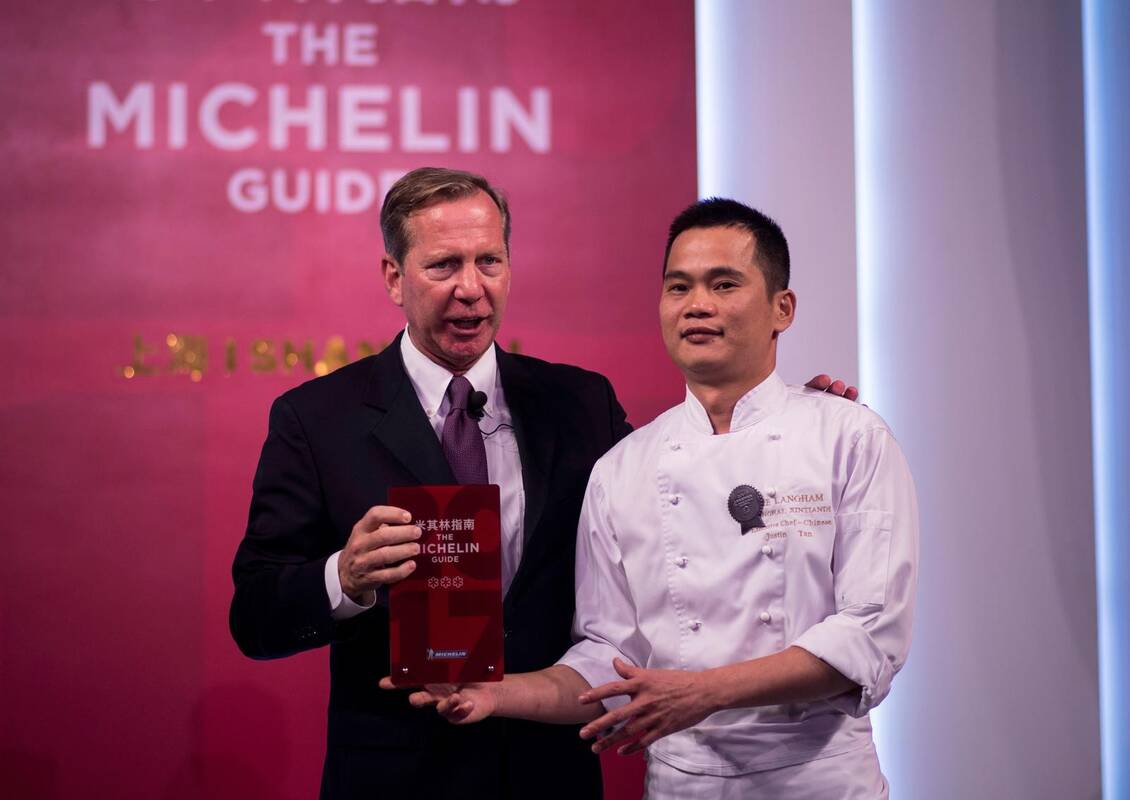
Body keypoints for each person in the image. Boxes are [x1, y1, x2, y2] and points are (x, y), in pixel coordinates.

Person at [230, 167, 858, 799]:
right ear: (394, 277)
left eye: (489, 261)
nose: (471, 289)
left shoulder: (580, 404)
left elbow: (687, 497)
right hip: (397, 778)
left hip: (549, 772)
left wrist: (790, 423)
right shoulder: (317, 419)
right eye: (444, 266)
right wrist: (344, 578)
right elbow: (255, 616)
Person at [400, 198, 918, 799]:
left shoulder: (850, 437)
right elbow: (607, 655)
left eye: (724, 284)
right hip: (679, 785)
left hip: (820, 782)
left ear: (783, 308)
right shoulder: (624, 466)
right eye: (679, 287)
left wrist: (704, 692)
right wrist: (494, 693)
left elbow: (870, 634)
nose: (697, 304)